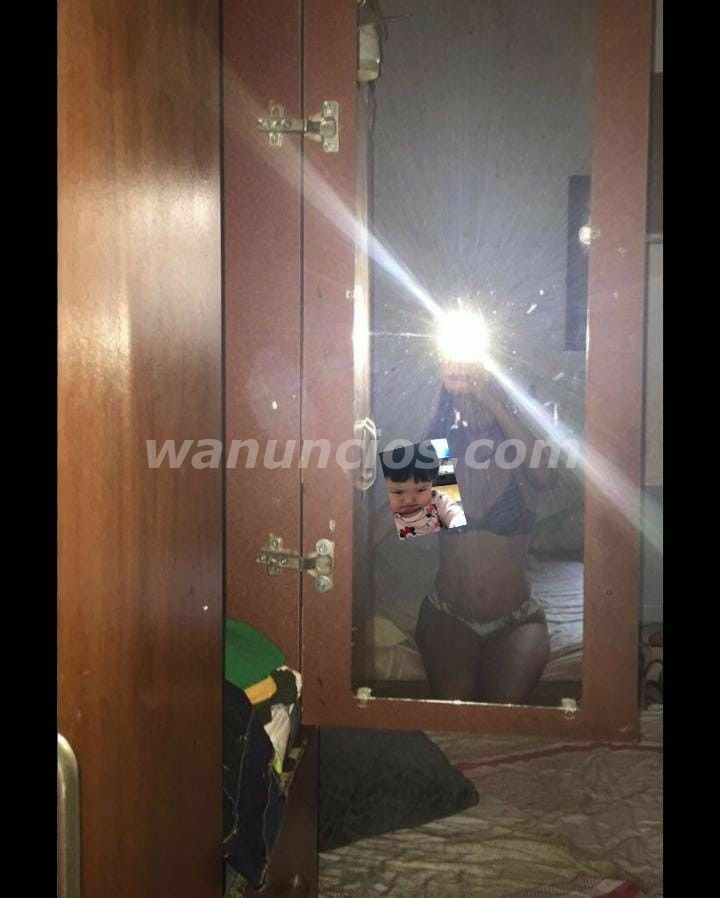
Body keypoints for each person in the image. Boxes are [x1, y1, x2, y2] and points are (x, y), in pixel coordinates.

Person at [414, 361, 559, 704]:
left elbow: (547, 476)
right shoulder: (442, 445)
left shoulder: (520, 452)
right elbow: (408, 514)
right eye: (462, 390)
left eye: (478, 385)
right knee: (456, 701)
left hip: (517, 618)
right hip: (447, 612)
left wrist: (491, 396)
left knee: (504, 705)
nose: (471, 396)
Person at [380, 442, 467, 540]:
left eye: (421, 490)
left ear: (432, 481)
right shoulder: (383, 516)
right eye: (398, 492)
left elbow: (455, 513)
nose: (409, 500)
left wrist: (457, 522)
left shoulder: (437, 500)